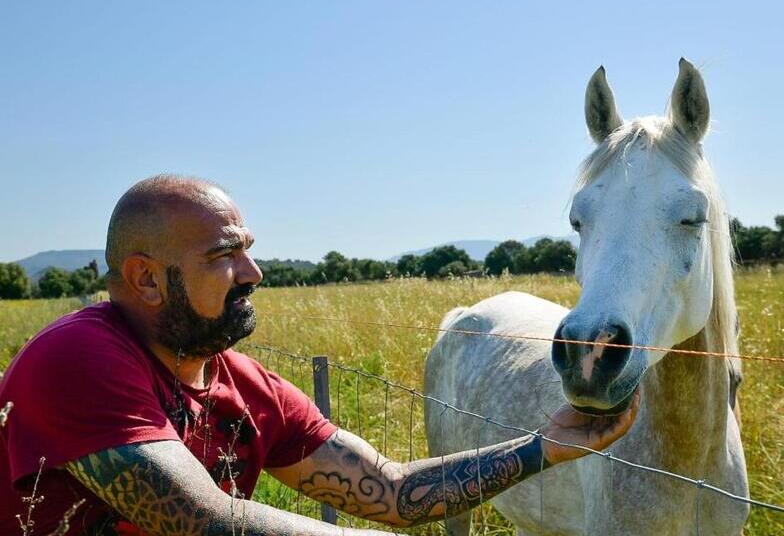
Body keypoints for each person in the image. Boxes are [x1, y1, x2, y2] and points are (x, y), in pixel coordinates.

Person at [0, 175, 639, 536]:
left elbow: (391, 492)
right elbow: (208, 524)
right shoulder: (80, 358)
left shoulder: (246, 389)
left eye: (248, 248)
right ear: (144, 279)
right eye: (225, 255)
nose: (253, 271)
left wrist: (545, 447)